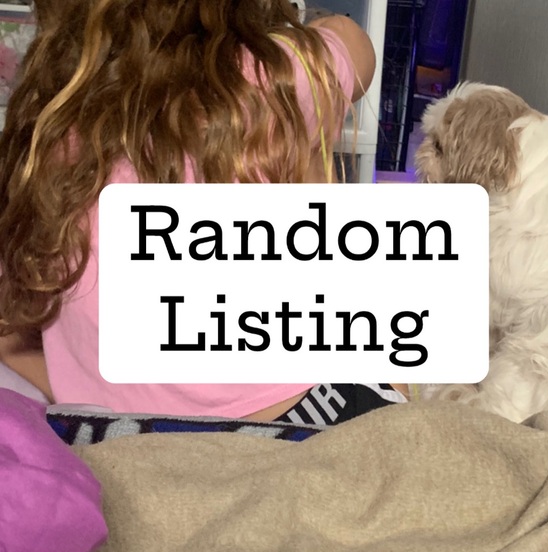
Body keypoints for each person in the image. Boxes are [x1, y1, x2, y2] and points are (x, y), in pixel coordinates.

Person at [0, 0, 407, 425]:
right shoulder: (268, 75)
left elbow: (12, 339)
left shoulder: (53, 125)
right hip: (302, 416)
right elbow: (353, 42)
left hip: (112, 428)